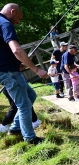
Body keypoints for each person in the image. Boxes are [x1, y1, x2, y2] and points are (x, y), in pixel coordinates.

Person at [0, 3, 48, 144]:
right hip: (8, 72)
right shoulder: (5, 24)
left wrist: (17, 63)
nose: (18, 22)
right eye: (18, 18)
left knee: (31, 96)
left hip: (10, 68)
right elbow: (17, 50)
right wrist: (37, 70)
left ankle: (15, 128)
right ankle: (30, 138)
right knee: (24, 105)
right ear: (12, 11)